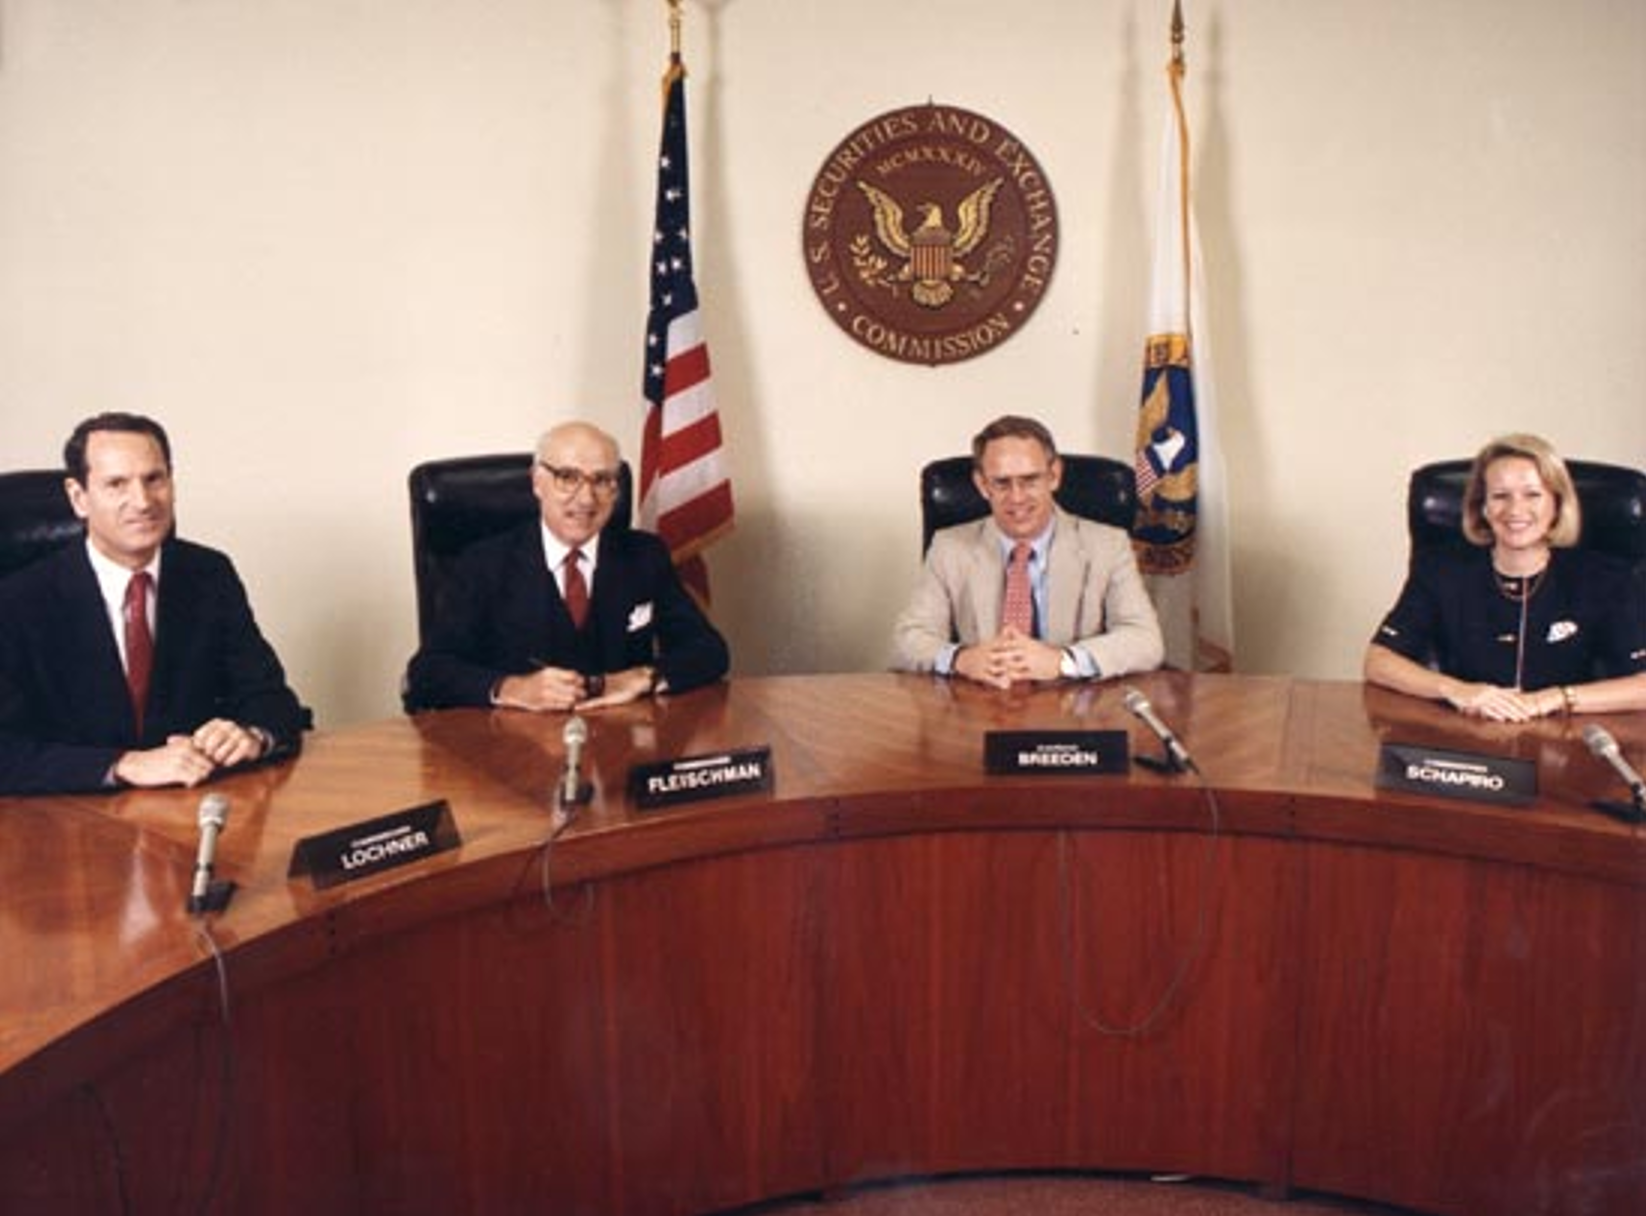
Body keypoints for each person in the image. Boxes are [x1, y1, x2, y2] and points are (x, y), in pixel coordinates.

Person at [0, 413, 309, 795]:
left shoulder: (209, 574)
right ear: (79, 497)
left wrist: (251, 735)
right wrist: (123, 764)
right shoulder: (18, 601)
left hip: (190, 813)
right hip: (71, 825)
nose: (143, 502)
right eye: (117, 484)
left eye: (154, 479)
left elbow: (273, 700)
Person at [403, 421, 729, 712]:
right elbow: (427, 672)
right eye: (567, 478)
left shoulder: (644, 556)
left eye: (601, 480)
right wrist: (511, 688)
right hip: (514, 753)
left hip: (620, 744)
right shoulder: (483, 563)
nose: (586, 499)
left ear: (616, 490)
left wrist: (644, 677)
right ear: (536, 482)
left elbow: (710, 651)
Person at [1364, 433, 1646, 721]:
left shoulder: (1608, 578)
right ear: (1482, 506)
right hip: (1466, 735)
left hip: (1568, 738)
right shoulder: (1441, 569)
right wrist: (1456, 690)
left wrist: (1554, 698)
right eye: (1500, 496)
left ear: (1557, 503)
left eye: (1533, 494)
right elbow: (1379, 661)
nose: (1515, 510)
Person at [892, 415, 1164, 688]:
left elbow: (1144, 638)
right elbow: (909, 638)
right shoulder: (949, 547)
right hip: (981, 705)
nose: (1017, 497)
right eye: (1001, 483)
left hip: (1075, 709)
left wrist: (1062, 661)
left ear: (1054, 475)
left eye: (1030, 480)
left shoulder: (1107, 545)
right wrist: (961, 659)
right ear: (982, 485)